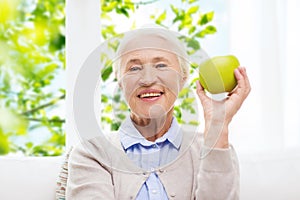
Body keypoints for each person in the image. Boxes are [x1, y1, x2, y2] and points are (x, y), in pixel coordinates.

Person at [66, 28, 251, 200]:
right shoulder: (93, 154)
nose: (147, 80)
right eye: (134, 68)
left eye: (161, 65)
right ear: (120, 83)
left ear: (183, 78)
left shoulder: (214, 150)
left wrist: (217, 126)